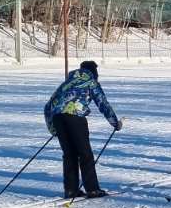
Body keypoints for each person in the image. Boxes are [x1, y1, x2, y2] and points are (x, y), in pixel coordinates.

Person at [44, 59, 122, 200]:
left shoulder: (66, 83)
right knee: (85, 153)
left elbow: (48, 106)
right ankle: (92, 189)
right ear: (95, 72)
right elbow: (102, 103)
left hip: (58, 118)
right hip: (75, 117)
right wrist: (115, 123)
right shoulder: (91, 82)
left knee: (69, 154)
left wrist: (52, 128)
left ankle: (70, 190)